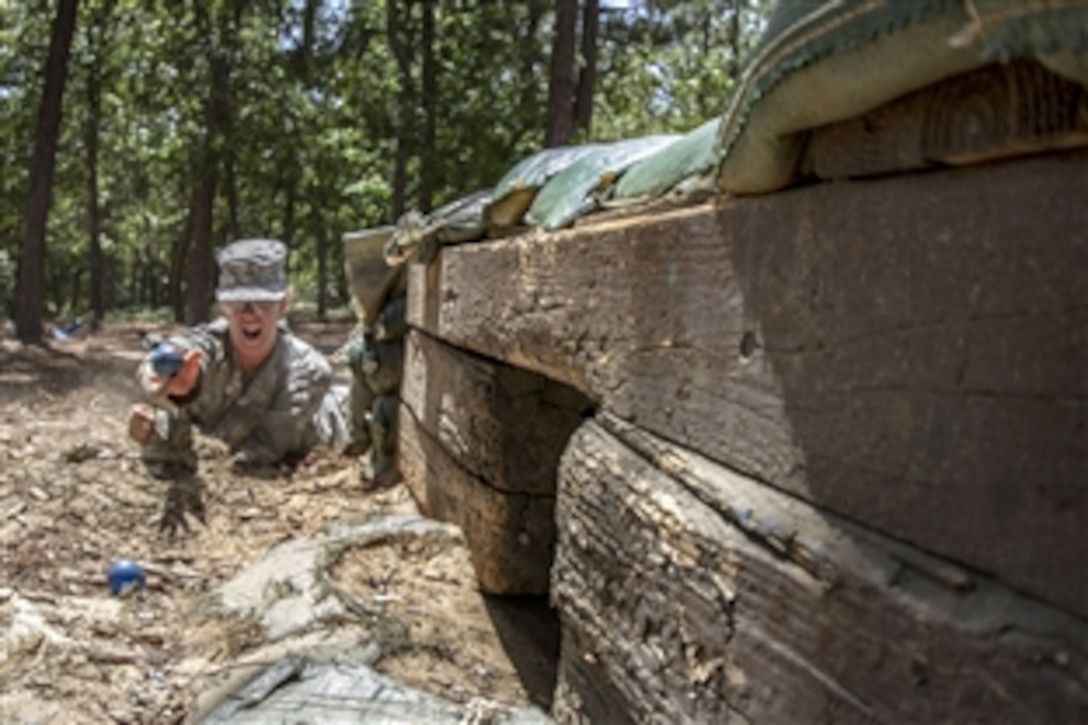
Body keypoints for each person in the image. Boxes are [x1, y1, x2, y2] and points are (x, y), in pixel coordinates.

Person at [128, 238, 349, 475]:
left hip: (342, 419)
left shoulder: (307, 371)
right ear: (223, 308)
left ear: (282, 306)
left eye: (262, 303)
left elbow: (259, 451)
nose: (249, 315)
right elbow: (166, 359)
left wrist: (167, 435)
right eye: (238, 303)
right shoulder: (209, 347)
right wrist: (169, 388)